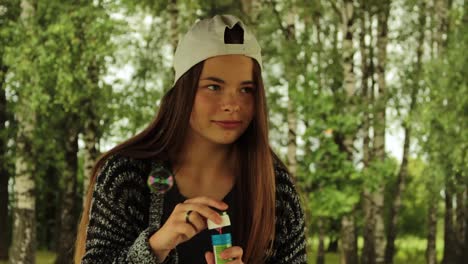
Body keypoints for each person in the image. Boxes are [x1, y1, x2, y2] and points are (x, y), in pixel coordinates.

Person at [74, 14, 307, 264]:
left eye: (246, 90)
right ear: (183, 91)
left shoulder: (277, 190)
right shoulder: (126, 176)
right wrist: (154, 247)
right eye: (213, 87)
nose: (232, 105)